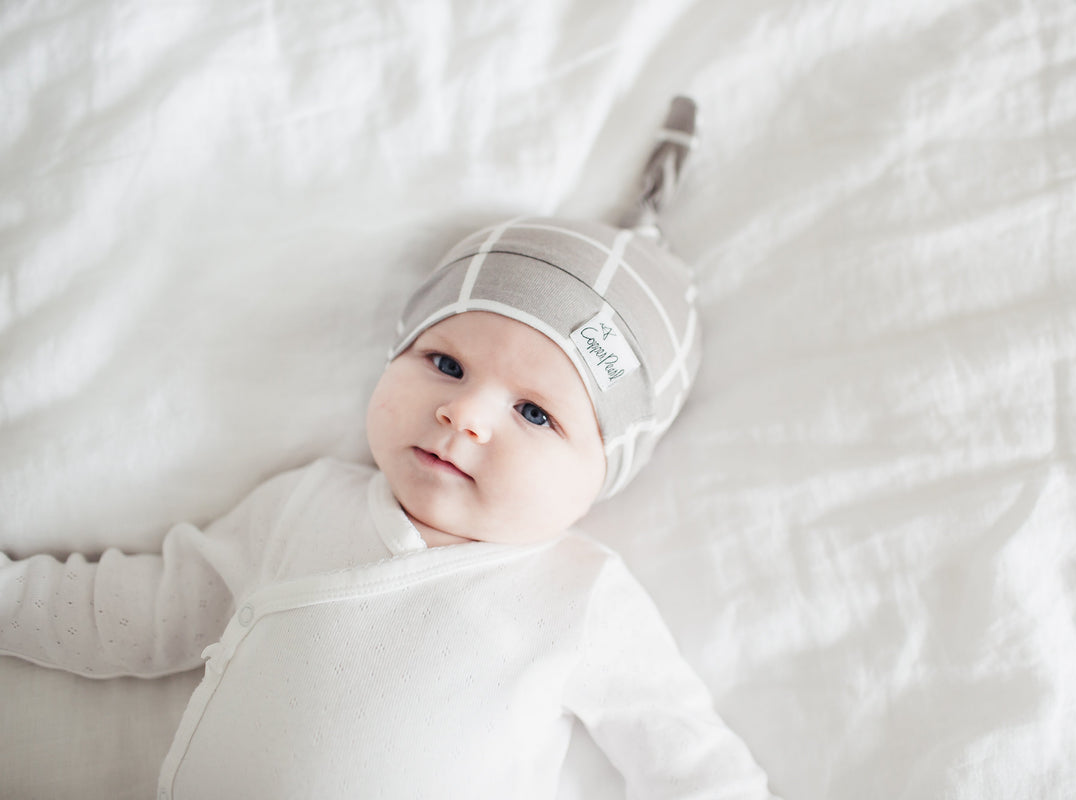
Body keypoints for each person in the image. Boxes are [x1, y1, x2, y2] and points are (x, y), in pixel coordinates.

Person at [1, 98, 778, 798]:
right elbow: (143, 613)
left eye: (536, 414)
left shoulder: (580, 600)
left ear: (604, 475)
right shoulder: (301, 506)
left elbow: (691, 764)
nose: (464, 413)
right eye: (445, 364)